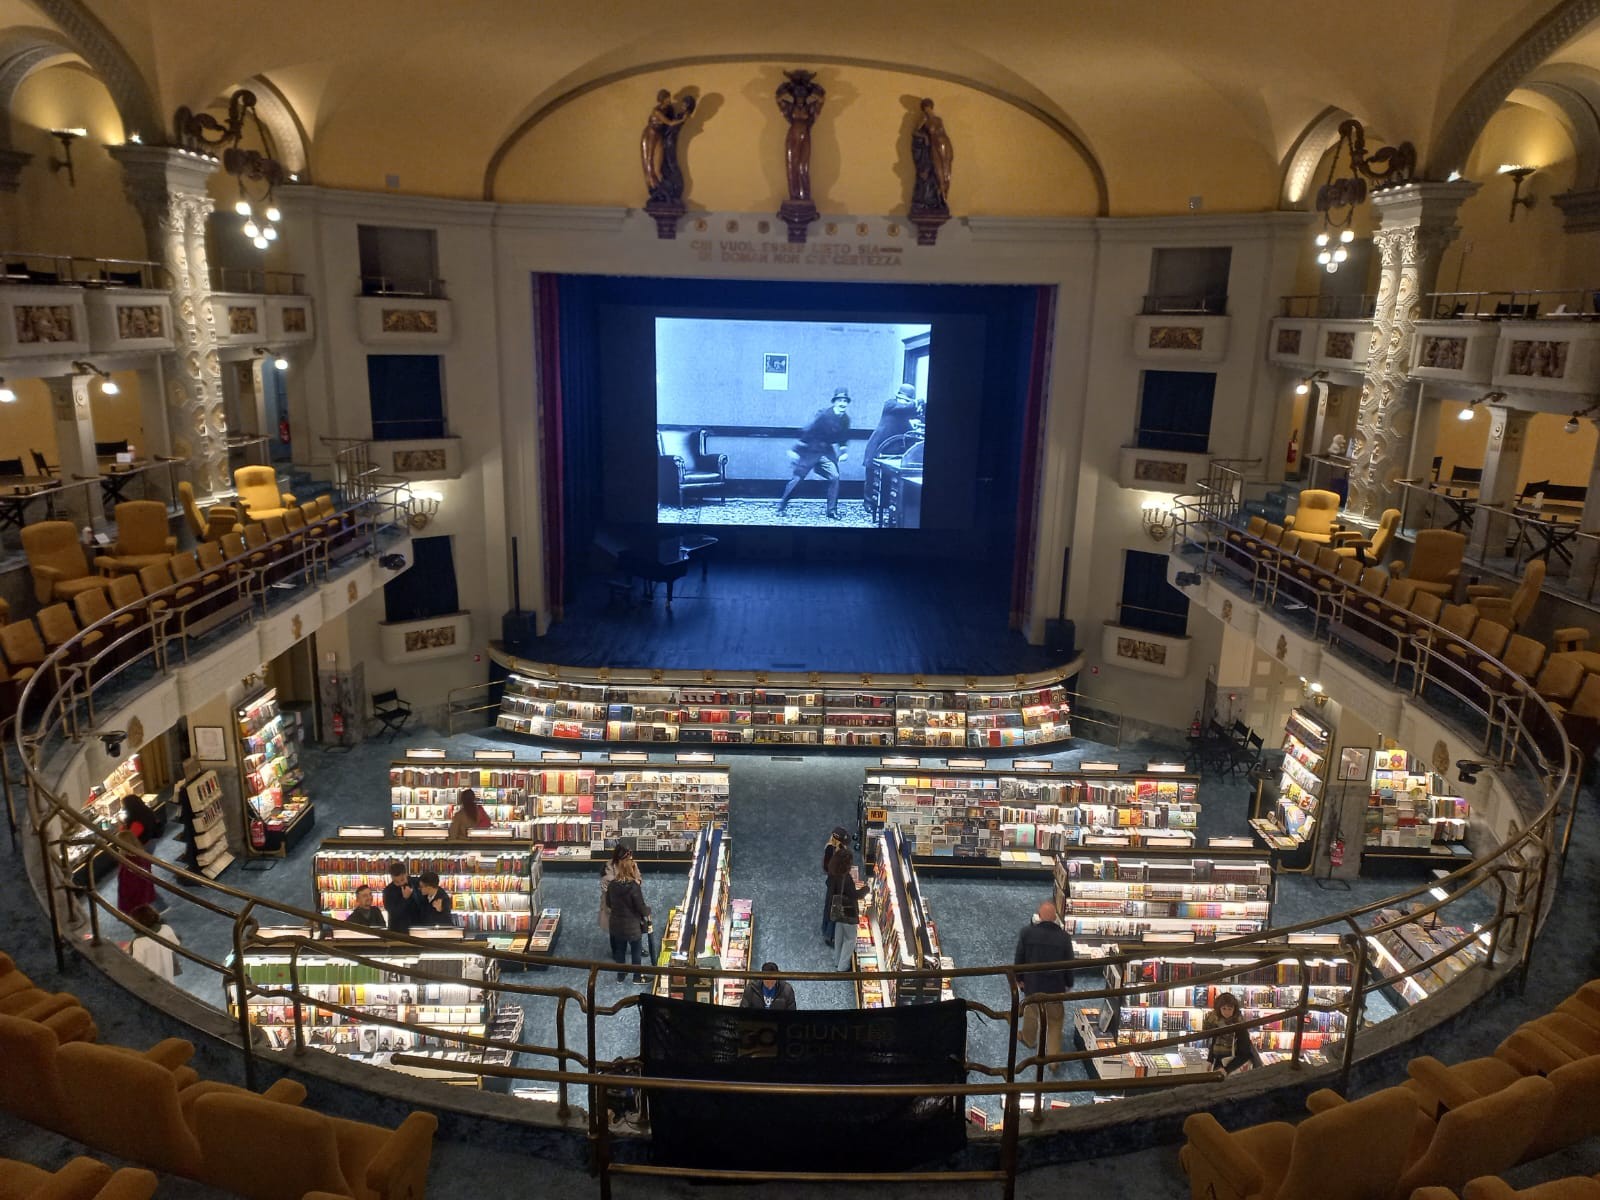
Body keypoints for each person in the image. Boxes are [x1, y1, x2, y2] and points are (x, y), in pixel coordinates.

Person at [1014, 900, 1076, 1060]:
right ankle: (1053, 1057)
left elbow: (1020, 958)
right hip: (1055, 987)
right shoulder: (1064, 938)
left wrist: (1019, 978)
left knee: (1031, 1012)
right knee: (1055, 1022)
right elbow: (1069, 963)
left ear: (1039, 916)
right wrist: (1069, 983)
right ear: (1055, 918)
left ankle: (1029, 1039)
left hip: (1032, 985)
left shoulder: (1027, 933)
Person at [777, 388, 852, 519]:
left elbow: (843, 437)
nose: (842, 404)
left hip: (826, 452)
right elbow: (809, 431)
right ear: (834, 402)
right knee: (798, 478)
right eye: (840, 400)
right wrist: (796, 450)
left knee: (835, 477)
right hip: (811, 450)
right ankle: (781, 507)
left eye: (845, 401)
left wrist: (843, 452)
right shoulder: (824, 415)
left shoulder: (845, 419)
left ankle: (831, 511)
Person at [861, 383, 922, 514]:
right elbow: (904, 407)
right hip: (877, 445)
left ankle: (887, 504)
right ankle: (868, 503)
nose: (903, 402)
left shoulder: (907, 413)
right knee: (871, 476)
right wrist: (916, 402)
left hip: (892, 450)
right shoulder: (890, 405)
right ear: (897, 397)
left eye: (907, 400)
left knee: (889, 479)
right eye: (902, 399)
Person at [605, 854, 651, 982]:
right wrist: (648, 911)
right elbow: (640, 907)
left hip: (616, 924)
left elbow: (608, 903)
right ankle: (637, 977)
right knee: (636, 951)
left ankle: (621, 975)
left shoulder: (612, 885)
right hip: (632, 926)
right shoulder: (634, 887)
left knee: (620, 950)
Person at [826, 846, 870, 971]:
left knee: (839, 937)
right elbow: (854, 895)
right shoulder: (846, 879)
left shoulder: (832, 873)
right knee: (850, 939)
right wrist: (866, 889)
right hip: (848, 912)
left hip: (837, 910)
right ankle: (842, 967)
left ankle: (837, 960)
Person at [114, 802, 158, 916]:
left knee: (140, 916)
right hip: (144, 893)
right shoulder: (142, 856)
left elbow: (127, 885)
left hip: (135, 900)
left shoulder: (128, 863)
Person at [1202, 991, 1263, 1074]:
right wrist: (1210, 1060)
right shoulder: (1217, 1022)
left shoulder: (1239, 1025)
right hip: (1219, 1063)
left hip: (1234, 1065)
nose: (1227, 1012)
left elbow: (1245, 1053)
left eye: (1230, 1009)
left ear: (1234, 1009)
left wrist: (1227, 1069)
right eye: (1224, 1008)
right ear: (1219, 1008)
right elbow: (1214, 1042)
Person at [910, 97, 953, 212]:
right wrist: (925, 137)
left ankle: (944, 198)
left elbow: (943, 132)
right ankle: (941, 198)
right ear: (924, 109)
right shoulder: (923, 119)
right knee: (939, 173)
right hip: (935, 146)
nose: (928, 110)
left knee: (947, 172)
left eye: (929, 107)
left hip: (945, 144)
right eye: (926, 108)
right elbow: (915, 132)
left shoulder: (939, 119)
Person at [128, 904, 180, 981]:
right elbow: (176, 944)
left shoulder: (138, 942)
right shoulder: (166, 928)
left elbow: (137, 963)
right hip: (167, 971)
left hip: (151, 979)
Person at [821, 827, 851, 945]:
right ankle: (829, 935)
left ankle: (829, 932)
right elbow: (827, 867)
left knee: (833, 908)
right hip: (835, 884)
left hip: (837, 882)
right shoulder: (831, 849)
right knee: (833, 909)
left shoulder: (840, 848)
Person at [600, 844, 639, 933]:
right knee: (616, 933)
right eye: (626, 856)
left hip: (629, 908)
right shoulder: (609, 867)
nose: (629, 859)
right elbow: (608, 888)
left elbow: (638, 878)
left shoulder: (632, 864)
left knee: (629, 932)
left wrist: (635, 883)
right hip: (614, 908)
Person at [382, 861, 421, 934]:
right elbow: (393, 913)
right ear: (391, 878)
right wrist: (405, 899)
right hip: (398, 932)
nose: (400, 883)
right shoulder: (388, 891)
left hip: (418, 928)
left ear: (406, 874)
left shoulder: (416, 882)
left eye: (402, 880)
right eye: (396, 882)